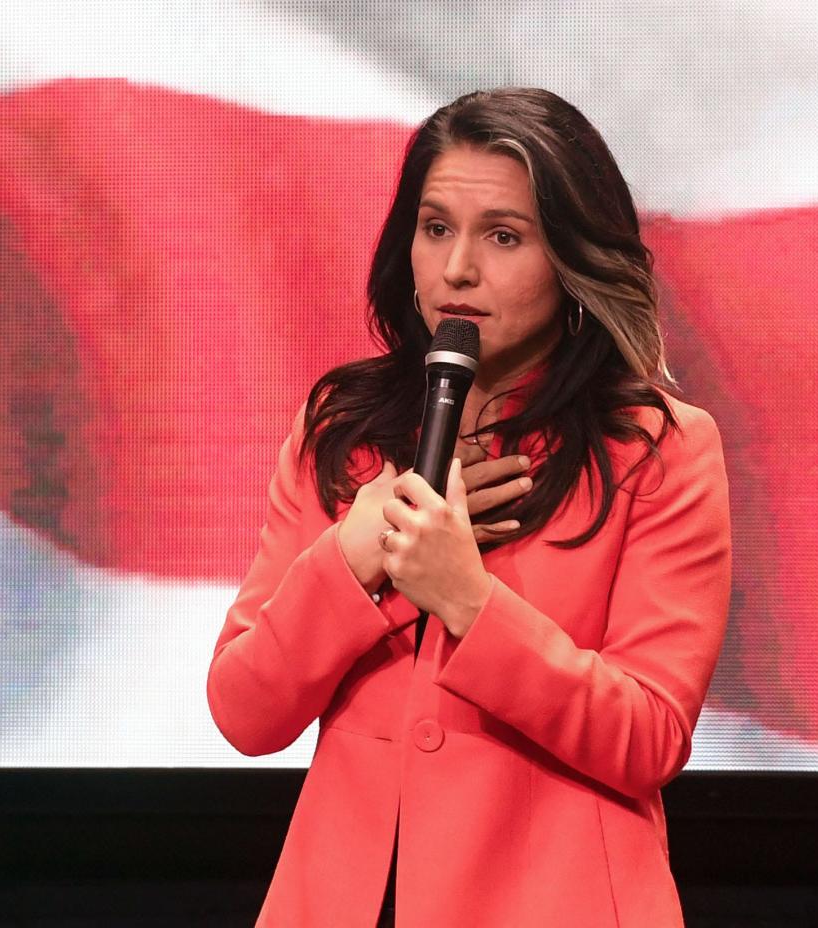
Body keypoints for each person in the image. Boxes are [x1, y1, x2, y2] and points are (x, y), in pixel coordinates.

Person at [207, 87, 732, 928]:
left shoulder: (655, 447)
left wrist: (468, 599)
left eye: (503, 236)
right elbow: (244, 710)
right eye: (436, 227)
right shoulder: (344, 430)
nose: (457, 269)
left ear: (570, 260)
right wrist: (354, 556)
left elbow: (648, 737)